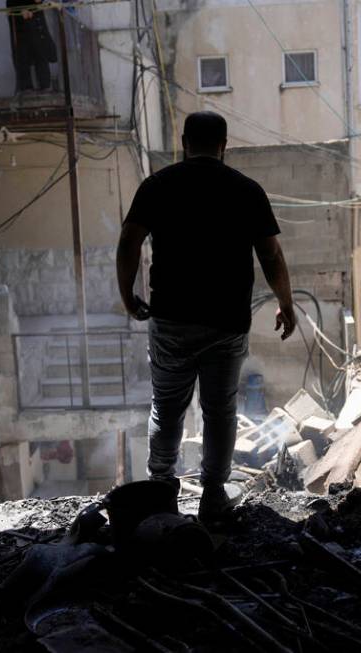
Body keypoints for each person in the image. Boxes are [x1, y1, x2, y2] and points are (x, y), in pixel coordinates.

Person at [116, 111, 296, 524]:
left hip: (172, 319)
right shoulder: (246, 190)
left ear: (184, 142)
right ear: (224, 145)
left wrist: (129, 296)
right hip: (226, 323)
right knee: (219, 411)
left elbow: (129, 241)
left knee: (167, 408)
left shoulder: (158, 185)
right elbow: (270, 253)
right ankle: (213, 495)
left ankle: (160, 488)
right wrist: (285, 303)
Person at [6, 0, 57, 93]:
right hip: (20, 24)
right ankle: (26, 88)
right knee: (22, 54)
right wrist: (20, 11)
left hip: (36, 20)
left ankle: (45, 85)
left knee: (40, 52)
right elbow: (11, 5)